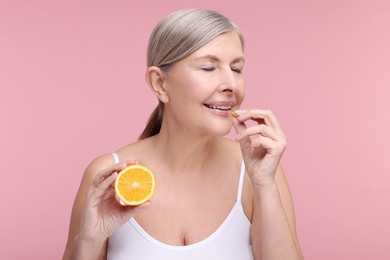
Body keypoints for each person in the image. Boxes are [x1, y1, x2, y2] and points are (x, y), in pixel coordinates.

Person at [62, 8, 303, 260]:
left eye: (237, 68)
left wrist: (265, 185)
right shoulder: (109, 179)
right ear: (160, 83)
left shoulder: (259, 172)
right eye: (209, 67)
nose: (231, 84)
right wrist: (89, 241)